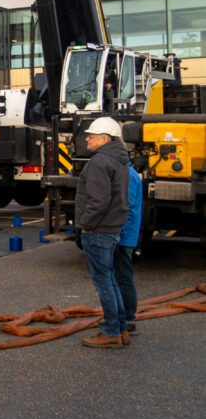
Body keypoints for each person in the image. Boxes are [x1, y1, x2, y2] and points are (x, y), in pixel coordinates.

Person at [74, 117, 130, 348]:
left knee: (104, 282)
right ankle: (120, 328)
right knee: (111, 279)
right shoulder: (119, 161)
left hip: (98, 230)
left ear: (105, 139)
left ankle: (110, 331)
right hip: (113, 228)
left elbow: (98, 202)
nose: (87, 138)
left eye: (92, 135)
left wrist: (84, 224)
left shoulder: (99, 162)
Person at [114, 159, 143, 341]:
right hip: (126, 234)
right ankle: (124, 316)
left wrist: (117, 233)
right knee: (121, 276)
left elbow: (128, 208)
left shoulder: (128, 176)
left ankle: (128, 318)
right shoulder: (129, 174)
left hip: (125, 236)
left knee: (123, 277)